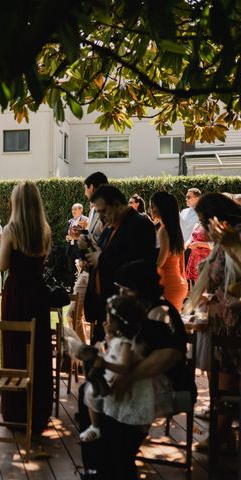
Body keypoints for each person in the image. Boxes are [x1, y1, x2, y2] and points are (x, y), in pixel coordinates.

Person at [78, 259, 190, 480]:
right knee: (89, 393)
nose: (119, 293)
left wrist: (126, 378)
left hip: (166, 384)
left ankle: (114, 467)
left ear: (138, 290)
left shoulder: (160, 313)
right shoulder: (136, 311)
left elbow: (169, 355)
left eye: (123, 289)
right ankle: (97, 467)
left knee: (111, 405)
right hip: (137, 379)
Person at [185, 193, 241, 451]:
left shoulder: (235, 236)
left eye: (203, 219)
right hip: (222, 321)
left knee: (227, 378)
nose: (202, 225)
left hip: (234, 324)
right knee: (220, 376)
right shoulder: (224, 238)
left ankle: (219, 434)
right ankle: (224, 432)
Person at [0, 181, 52, 434]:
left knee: (15, 346)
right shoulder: (45, 230)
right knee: (38, 347)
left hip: (17, 292)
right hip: (38, 293)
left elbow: (3, 264)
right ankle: (39, 411)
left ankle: (16, 411)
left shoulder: (11, 230)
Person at [80, 185, 157, 343]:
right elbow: (102, 254)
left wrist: (100, 259)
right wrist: (87, 252)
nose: (100, 217)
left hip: (126, 312)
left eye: (103, 211)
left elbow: (138, 265)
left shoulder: (140, 224)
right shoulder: (111, 226)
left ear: (116, 204)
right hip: (105, 309)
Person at [79, 295, 152, 443]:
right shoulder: (119, 337)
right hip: (112, 375)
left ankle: (99, 427)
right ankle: (95, 427)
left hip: (124, 379)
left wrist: (105, 364)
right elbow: (112, 347)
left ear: (119, 322)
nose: (106, 322)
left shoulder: (127, 343)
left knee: (97, 394)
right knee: (91, 393)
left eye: (109, 320)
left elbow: (125, 367)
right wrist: (108, 335)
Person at [66, 172, 108, 342]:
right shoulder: (92, 211)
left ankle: (91, 358)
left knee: (99, 321)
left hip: (101, 272)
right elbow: (91, 236)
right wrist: (80, 235)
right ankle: (84, 357)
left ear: (92, 187)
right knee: (72, 314)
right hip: (86, 269)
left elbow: (104, 243)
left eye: (86, 189)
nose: (85, 193)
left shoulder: (109, 211)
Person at [150, 191, 188, 312]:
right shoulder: (174, 229)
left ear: (160, 208)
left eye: (152, 206)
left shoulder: (163, 230)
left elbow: (160, 261)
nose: (150, 209)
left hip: (168, 285)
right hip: (178, 282)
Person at [180, 188, 201, 266]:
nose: (186, 199)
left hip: (193, 249)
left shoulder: (202, 213)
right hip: (180, 248)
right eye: (186, 197)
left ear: (197, 198)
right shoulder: (184, 211)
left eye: (188, 197)